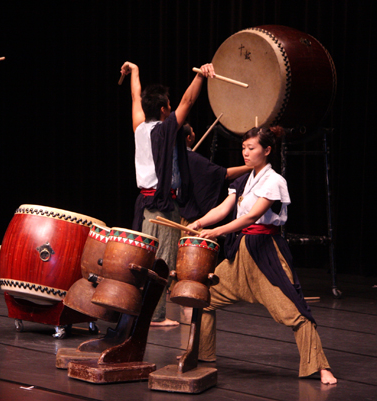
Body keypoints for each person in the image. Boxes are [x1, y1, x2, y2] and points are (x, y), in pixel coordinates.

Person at [186, 126, 337, 384]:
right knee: (204, 296)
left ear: (267, 150)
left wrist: (217, 232)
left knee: (294, 311)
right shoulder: (243, 181)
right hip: (241, 253)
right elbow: (224, 209)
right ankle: (203, 355)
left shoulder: (274, 181)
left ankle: (319, 366)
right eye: (244, 148)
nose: (245, 153)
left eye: (251, 148)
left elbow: (252, 216)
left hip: (265, 253)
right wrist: (199, 223)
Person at [120, 62, 215, 326]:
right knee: (161, 261)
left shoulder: (139, 127)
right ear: (163, 109)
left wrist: (135, 71)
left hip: (145, 203)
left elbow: (134, 96)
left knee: (147, 259)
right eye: (169, 106)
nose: (173, 108)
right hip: (162, 204)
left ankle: (140, 310)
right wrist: (200, 76)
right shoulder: (165, 130)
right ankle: (156, 316)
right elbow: (189, 99)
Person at [180, 123, 251, 227]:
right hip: (188, 219)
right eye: (192, 131)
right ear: (188, 138)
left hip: (175, 215)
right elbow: (223, 174)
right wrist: (251, 167)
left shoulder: (172, 157)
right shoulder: (192, 159)